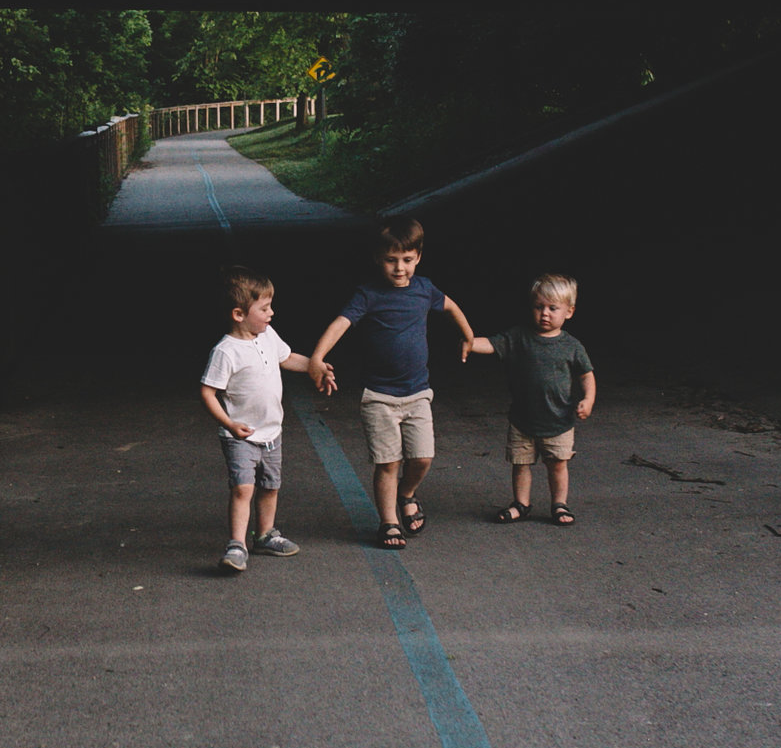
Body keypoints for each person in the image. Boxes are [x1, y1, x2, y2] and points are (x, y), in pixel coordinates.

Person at [306, 217, 474, 550]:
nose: (400, 268)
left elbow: (452, 307)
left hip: (417, 394)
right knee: (387, 463)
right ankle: (389, 522)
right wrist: (316, 357)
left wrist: (468, 337)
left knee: (423, 458)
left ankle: (407, 493)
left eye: (407, 260)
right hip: (379, 396)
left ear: (418, 258)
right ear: (377, 259)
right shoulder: (368, 294)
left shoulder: (425, 289)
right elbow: (341, 323)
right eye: (391, 260)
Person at [199, 266, 321, 573]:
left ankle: (265, 534)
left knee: (270, 485)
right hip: (240, 434)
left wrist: (314, 366)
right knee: (243, 488)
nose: (271, 313)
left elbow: (287, 358)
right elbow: (208, 392)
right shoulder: (226, 352)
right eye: (264, 308)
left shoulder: (268, 336)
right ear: (239, 314)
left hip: (271, 432)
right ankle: (236, 545)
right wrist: (229, 424)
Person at [468, 274, 596, 525]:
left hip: (558, 421)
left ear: (569, 312)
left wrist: (588, 399)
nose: (544, 313)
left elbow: (586, 375)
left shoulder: (571, 345)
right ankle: (521, 504)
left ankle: (559, 504)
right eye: (539, 307)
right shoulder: (519, 337)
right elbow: (493, 344)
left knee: (557, 465)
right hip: (523, 420)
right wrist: (469, 342)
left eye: (552, 308)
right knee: (521, 464)